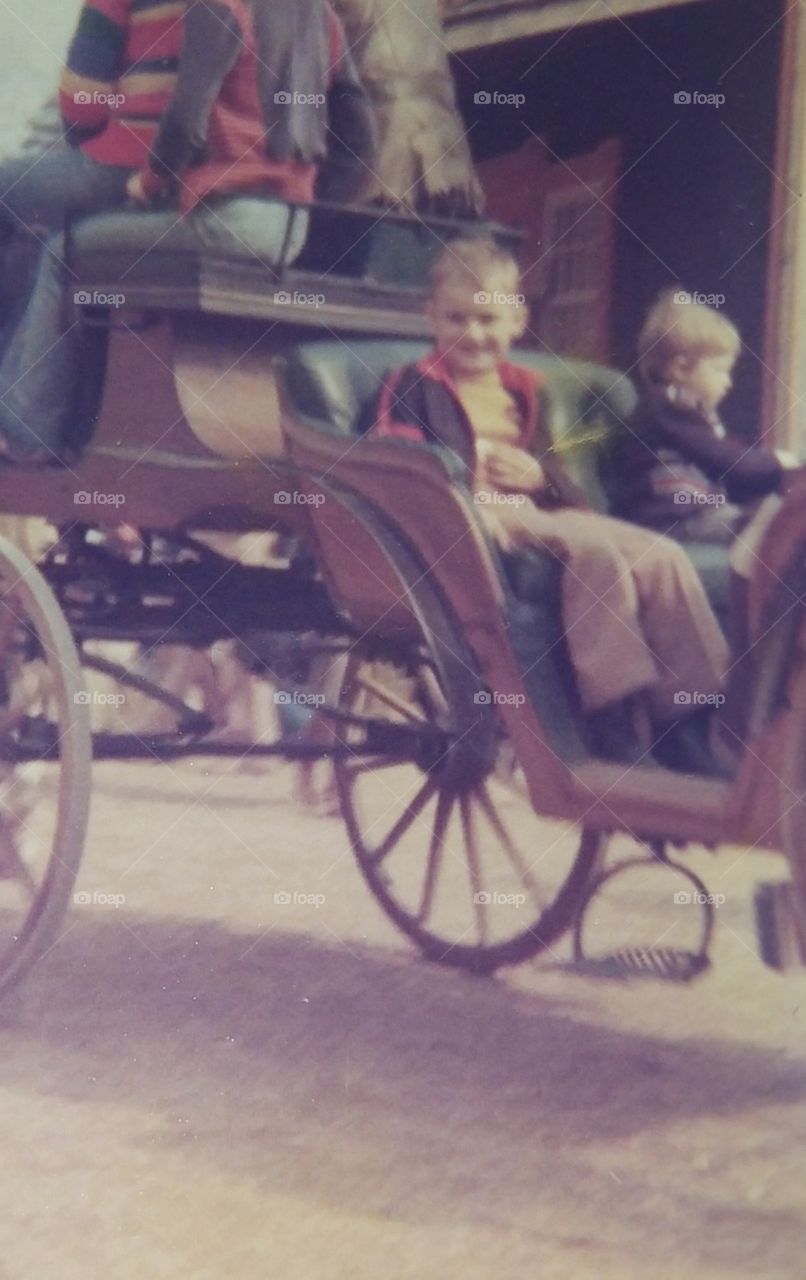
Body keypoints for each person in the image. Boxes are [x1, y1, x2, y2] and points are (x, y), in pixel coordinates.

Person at [370, 238, 730, 774]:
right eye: (456, 318)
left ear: (517, 321)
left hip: (535, 511)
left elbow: (556, 469)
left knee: (660, 555)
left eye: (488, 319)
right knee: (594, 553)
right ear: (430, 317)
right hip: (470, 515)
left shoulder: (525, 390)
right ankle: (610, 716)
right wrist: (464, 482)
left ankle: (688, 717)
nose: (473, 334)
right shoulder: (412, 387)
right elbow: (397, 461)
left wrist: (540, 474)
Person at [0, 0, 374, 463]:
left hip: (225, 217)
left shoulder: (219, 8)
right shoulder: (319, 17)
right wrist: (305, 207)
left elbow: (186, 120)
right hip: (284, 230)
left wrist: (150, 181)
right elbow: (360, 143)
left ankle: (28, 433)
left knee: (64, 252)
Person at [0, 0, 185, 459]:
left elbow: (81, 98)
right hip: (189, 174)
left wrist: (88, 148)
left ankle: (26, 420)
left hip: (125, 162)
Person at [608, 288, 790, 542]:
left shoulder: (684, 410)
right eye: (720, 370)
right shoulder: (668, 411)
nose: (728, 383)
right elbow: (725, 458)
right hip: (668, 519)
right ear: (681, 368)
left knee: (775, 519)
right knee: (776, 527)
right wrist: (778, 463)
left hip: (690, 512)